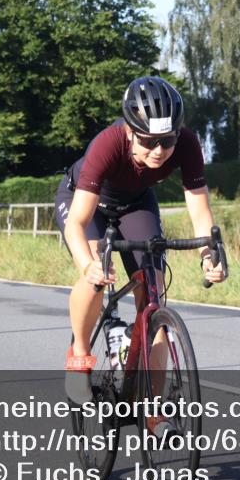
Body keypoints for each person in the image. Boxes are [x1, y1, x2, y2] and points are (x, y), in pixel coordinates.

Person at [54, 76, 225, 426]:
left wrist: (209, 256)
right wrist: (87, 264)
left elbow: (199, 209)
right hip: (86, 203)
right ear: (131, 131)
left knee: (154, 301)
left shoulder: (188, 144)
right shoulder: (108, 144)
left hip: (135, 203)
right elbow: (76, 223)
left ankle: (153, 410)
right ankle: (80, 355)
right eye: (149, 141)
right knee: (96, 277)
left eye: (168, 141)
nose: (160, 151)